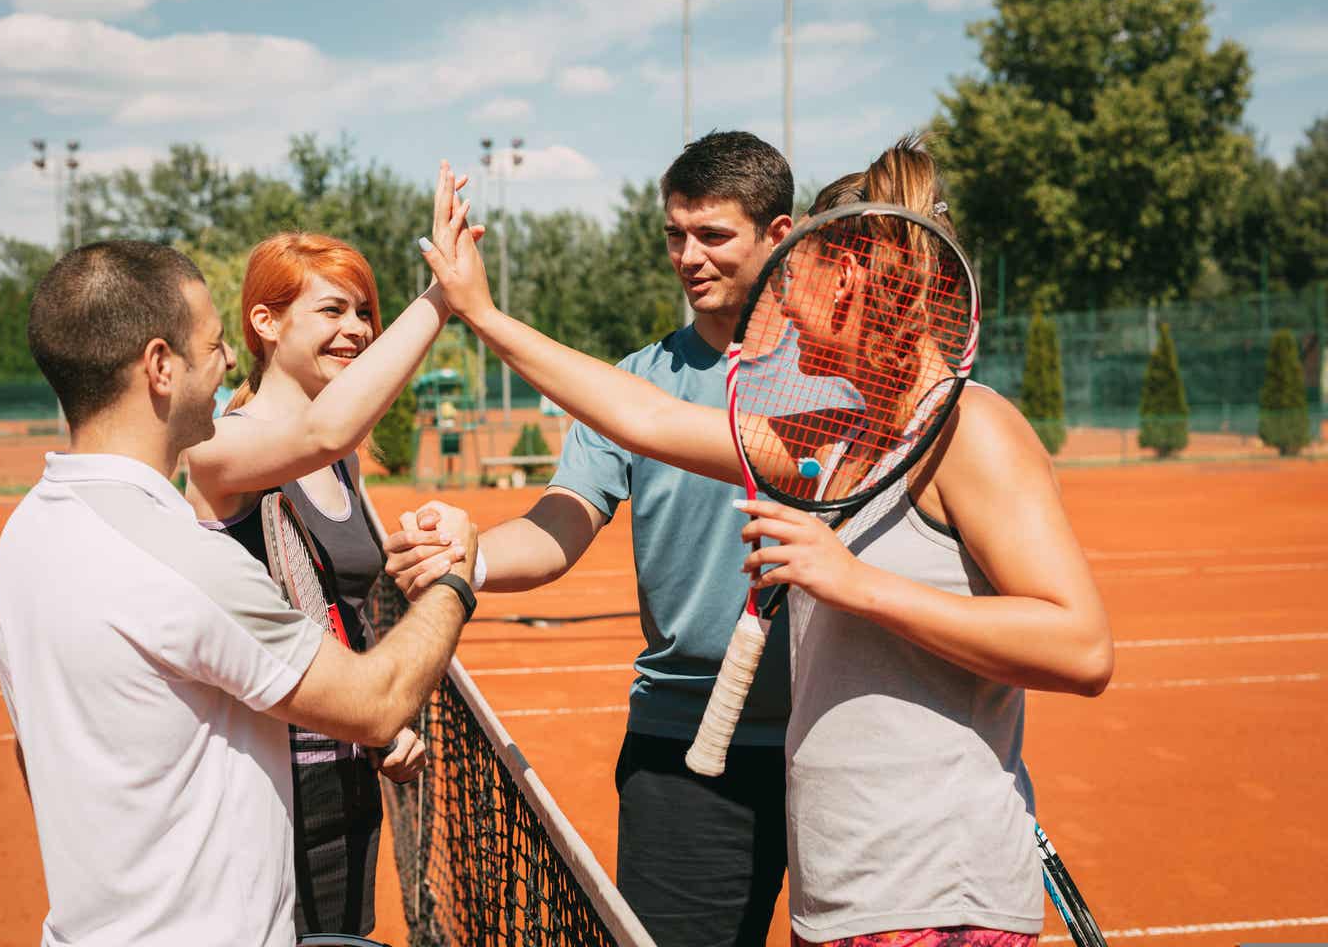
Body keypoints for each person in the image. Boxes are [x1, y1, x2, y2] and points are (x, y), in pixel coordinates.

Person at [413, 135, 1114, 947]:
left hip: (934, 895)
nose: (777, 291)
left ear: (846, 275)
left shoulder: (971, 429)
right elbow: (645, 416)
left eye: (796, 269)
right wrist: (483, 316)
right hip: (847, 894)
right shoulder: (847, 434)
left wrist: (849, 580)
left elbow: (1082, 646)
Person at [0, 238, 478, 947]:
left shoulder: (25, 536)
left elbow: (32, 752)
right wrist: (459, 577)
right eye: (215, 344)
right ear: (160, 366)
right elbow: (374, 704)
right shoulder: (185, 563)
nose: (227, 361)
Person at [391, 131, 796, 947]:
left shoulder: (846, 373)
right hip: (685, 746)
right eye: (674, 235)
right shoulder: (635, 380)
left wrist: (486, 316)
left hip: (836, 738)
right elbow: (556, 530)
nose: (688, 256)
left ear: (777, 237)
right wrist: (468, 553)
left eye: (713, 235)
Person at [182, 164, 481, 938]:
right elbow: (325, 428)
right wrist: (443, 298)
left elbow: (350, 603)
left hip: (346, 775)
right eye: (331, 309)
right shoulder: (220, 447)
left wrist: (383, 714)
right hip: (264, 784)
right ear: (266, 322)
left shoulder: (343, 461)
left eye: (364, 311)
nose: (356, 327)